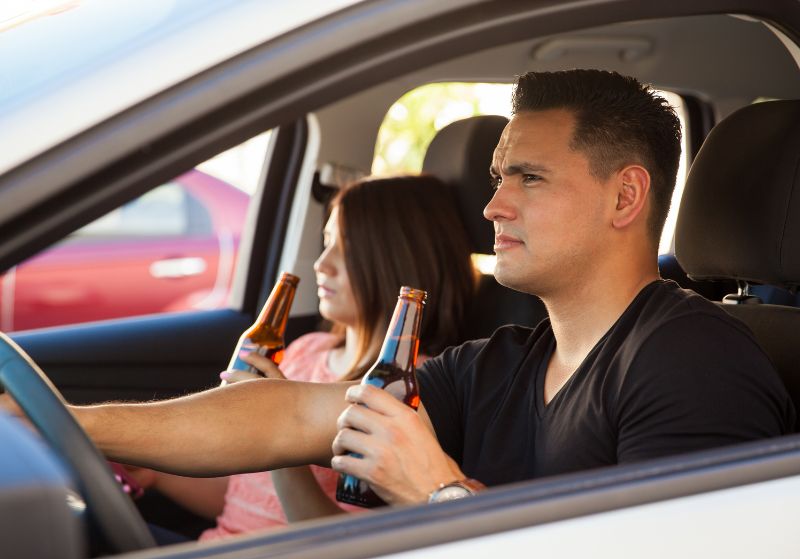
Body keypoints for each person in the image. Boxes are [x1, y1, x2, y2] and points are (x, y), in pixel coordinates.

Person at [10, 69, 795, 508]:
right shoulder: (501, 362)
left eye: (528, 176)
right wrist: (61, 423)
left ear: (626, 197)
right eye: (495, 177)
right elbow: (289, 411)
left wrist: (441, 494)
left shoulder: (693, 363)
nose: (491, 205)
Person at [127, 174, 476, 539]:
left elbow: (344, 546)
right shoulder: (307, 350)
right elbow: (248, 499)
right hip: (216, 548)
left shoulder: (404, 390)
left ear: (396, 259)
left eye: (347, 248)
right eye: (326, 243)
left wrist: (277, 438)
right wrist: (155, 476)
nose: (322, 263)